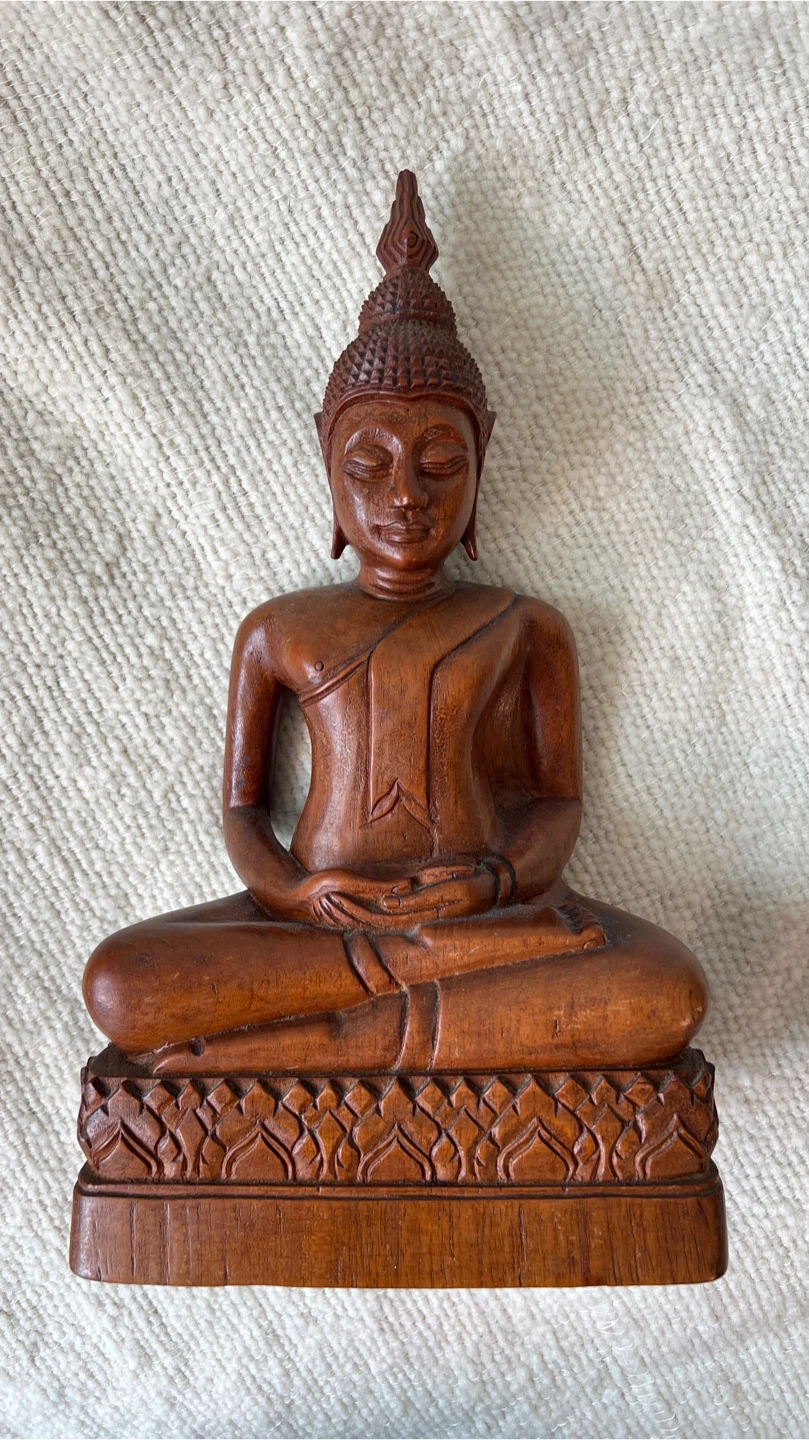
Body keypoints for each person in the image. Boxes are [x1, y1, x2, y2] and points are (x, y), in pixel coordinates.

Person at [83, 173, 707, 1075]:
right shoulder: (276, 629)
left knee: (663, 989)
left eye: (440, 460)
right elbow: (242, 812)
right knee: (122, 982)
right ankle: (395, 1011)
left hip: (486, 921)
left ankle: (329, 1036)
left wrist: (493, 880)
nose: (406, 494)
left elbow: (557, 804)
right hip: (317, 930)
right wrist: (294, 895)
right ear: (327, 463)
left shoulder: (523, 625)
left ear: (481, 463)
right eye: (369, 464)